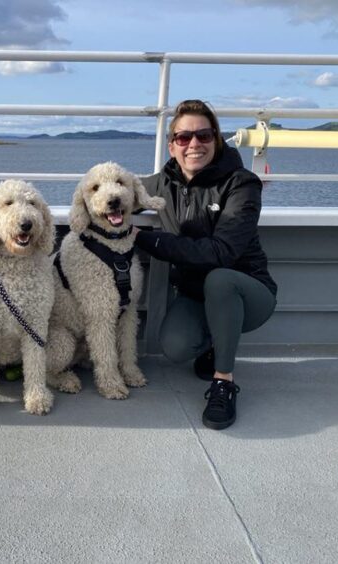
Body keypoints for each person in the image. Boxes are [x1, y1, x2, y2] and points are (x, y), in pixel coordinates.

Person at [135, 99, 277, 430]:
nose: (194, 144)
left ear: (217, 139)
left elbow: (221, 252)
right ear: (172, 146)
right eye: (184, 138)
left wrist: (145, 239)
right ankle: (214, 344)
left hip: (247, 292)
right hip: (196, 295)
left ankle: (223, 383)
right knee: (175, 347)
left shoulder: (241, 184)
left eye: (204, 135)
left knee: (220, 279)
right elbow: (119, 190)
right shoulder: (163, 183)